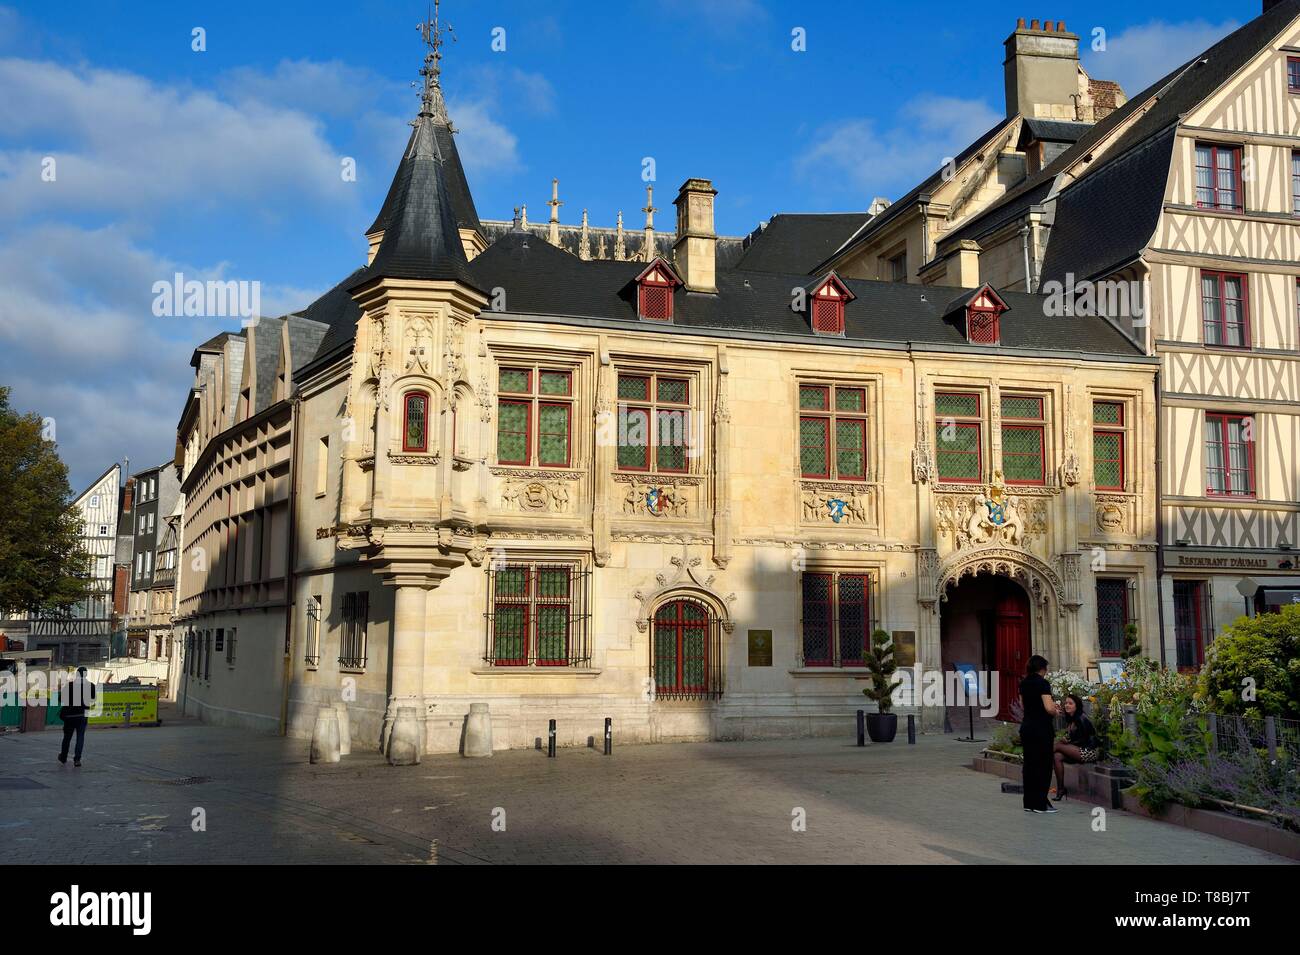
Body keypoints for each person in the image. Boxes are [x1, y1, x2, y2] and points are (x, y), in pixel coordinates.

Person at [1019, 655, 1059, 813]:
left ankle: (1029, 802)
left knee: (1029, 764)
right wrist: (1056, 710)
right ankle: (1040, 803)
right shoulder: (1042, 683)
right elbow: (1048, 708)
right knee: (1043, 765)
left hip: (1027, 727)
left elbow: (1023, 705)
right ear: (1042, 668)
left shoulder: (1023, 683)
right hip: (1041, 728)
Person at [1051, 693, 1101, 800]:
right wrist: (1067, 740)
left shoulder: (1081, 718)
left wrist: (1068, 742)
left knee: (1058, 746)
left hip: (1089, 751)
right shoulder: (1071, 718)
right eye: (1066, 703)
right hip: (1079, 749)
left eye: (1070, 703)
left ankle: (1036, 757)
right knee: (1057, 756)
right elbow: (1073, 738)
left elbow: (1084, 739)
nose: (1067, 705)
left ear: (1076, 706)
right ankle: (1061, 789)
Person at [57, 667, 96, 767]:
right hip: (82, 715)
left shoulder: (69, 685)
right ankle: (77, 760)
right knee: (80, 737)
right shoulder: (91, 686)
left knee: (67, 737)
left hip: (69, 716)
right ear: (86, 675)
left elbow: (60, 699)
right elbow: (93, 699)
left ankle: (63, 757)